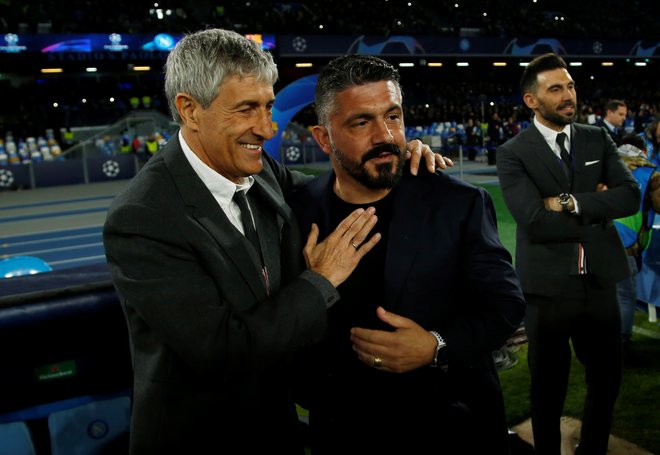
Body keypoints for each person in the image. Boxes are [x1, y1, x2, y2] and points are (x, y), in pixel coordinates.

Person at [102, 28, 448, 454]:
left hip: (276, 427)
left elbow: (329, 190)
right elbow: (222, 352)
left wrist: (387, 153)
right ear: (190, 110)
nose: (266, 129)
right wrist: (321, 280)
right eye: (247, 109)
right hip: (202, 440)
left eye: (268, 106)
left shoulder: (255, 165)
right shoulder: (142, 218)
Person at [287, 54, 526, 454]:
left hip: (450, 427)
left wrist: (436, 345)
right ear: (324, 138)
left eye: (393, 117)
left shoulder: (458, 203)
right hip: (344, 429)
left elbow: (504, 305)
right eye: (362, 122)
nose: (385, 135)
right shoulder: (296, 213)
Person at [496, 53, 640, 455]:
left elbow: (630, 196)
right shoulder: (513, 152)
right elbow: (534, 221)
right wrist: (596, 207)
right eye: (555, 89)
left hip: (599, 282)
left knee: (606, 381)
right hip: (547, 289)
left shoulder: (596, 137)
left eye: (571, 85)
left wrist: (566, 202)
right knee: (548, 387)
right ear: (532, 100)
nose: (568, 95)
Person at [614, 134, 660, 356]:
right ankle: (621, 345)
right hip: (626, 243)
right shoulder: (649, 173)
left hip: (594, 240)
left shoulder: (605, 165)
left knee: (602, 295)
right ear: (643, 150)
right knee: (624, 295)